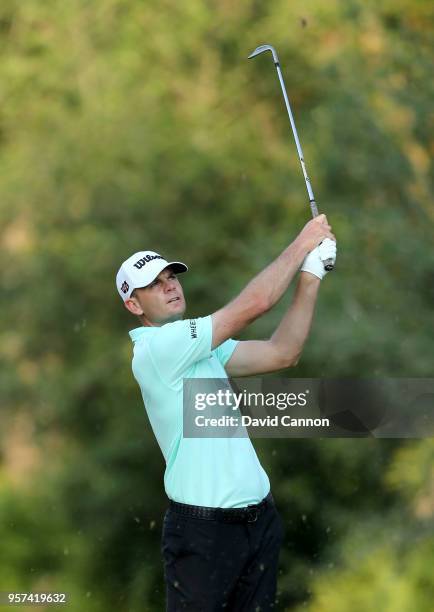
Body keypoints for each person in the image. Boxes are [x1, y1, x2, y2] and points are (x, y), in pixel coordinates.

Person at [115, 215, 336, 611]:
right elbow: (256, 304)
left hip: (259, 524)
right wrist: (303, 241)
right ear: (134, 304)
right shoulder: (159, 349)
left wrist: (312, 272)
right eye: (153, 283)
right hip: (204, 533)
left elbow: (282, 352)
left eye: (171, 277)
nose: (169, 285)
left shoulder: (201, 349)